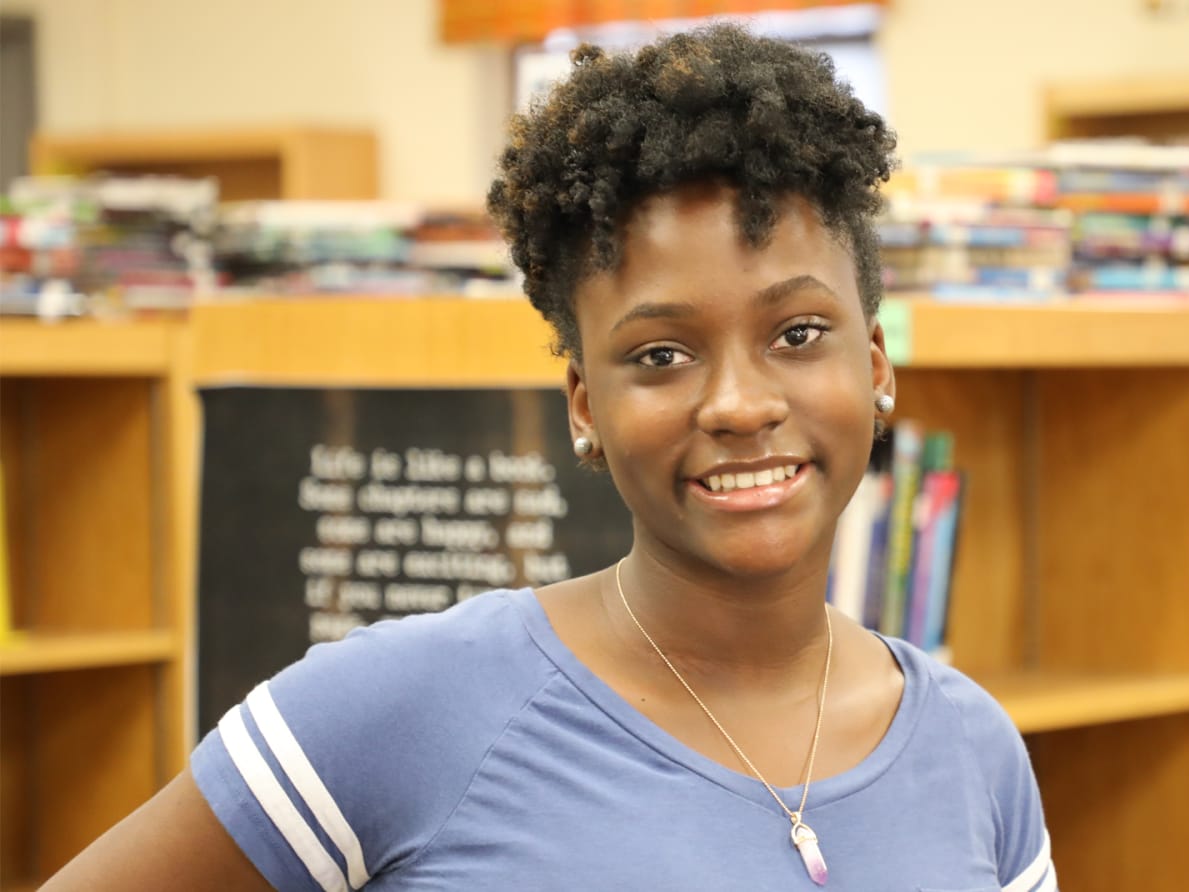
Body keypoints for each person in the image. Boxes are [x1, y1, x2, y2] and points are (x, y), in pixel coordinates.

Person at [43, 25, 1055, 891]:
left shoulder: (973, 750)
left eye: (796, 333)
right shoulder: (401, 708)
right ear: (586, 406)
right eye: (661, 354)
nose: (740, 404)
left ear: (874, 365)